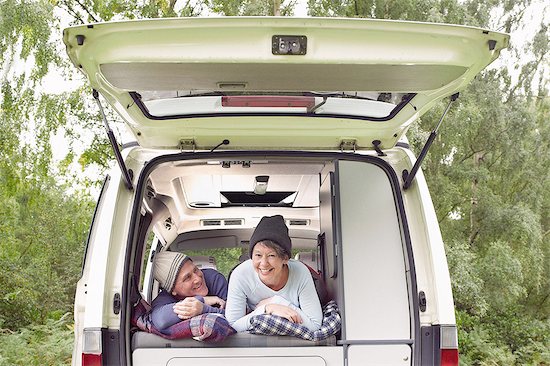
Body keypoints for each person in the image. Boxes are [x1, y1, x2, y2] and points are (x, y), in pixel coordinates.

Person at [225, 215, 323, 333]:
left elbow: (315, 325)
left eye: (271, 255)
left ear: (285, 259)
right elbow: (233, 325)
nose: (264, 263)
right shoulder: (240, 275)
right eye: (258, 255)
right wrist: (267, 308)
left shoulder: (300, 272)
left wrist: (277, 301)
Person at [150, 251, 228, 333]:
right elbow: (160, 320)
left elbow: (235, 317)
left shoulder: (213, 278)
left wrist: (205, 309)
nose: (198, 279)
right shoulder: (164, 298)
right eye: (187, 278)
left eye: (196, 270)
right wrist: (201, 301)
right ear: (173, 290)